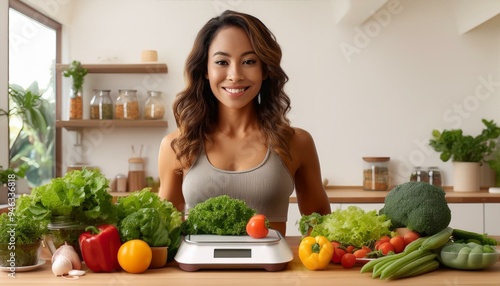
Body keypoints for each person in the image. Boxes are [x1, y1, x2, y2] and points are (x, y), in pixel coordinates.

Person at [158, 10, 331, 236]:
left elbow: (320, 229)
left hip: (273, 270)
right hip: (200, 271)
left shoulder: (297, 142)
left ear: (265, 70)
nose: (235, 75)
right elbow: (164, 232)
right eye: (222, 62)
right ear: (205, 70)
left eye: (249, 61)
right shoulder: (177, 145)